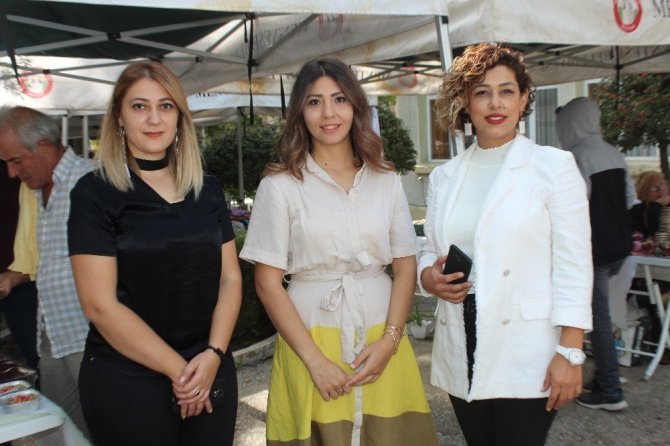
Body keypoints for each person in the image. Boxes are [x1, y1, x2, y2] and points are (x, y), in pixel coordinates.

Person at [240, 58, 437, 445]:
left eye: (339, 99)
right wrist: (315, 361)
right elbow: (267, 283)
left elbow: (405, 266)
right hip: (309, 338)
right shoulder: (279, 186)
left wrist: (390, 341)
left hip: (381, 332)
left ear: (355, 106)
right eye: (314, 102)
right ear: (300, 112)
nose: (328, 113)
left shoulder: (385, 179)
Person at [418, 43, 593, 445]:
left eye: (507, 91)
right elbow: (430, 247)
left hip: (527, 350)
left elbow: (574, 263)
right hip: (461, 342)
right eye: (482, 92)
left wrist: (570, 351)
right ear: (466, 102)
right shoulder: (445, 177)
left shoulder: (553, 167)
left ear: (524, 98)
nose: (495, 103)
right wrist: (429, 276)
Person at [68, 60, 241, 446]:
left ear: (180, 116)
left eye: (165, 106)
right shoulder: (94, 194)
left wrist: (214, 354)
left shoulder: (207, 189)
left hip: (209, 367)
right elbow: (100, 306)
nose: (154, 119)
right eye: (139, 106)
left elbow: (230, 278)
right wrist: (181, 372)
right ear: (118, 116)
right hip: (128, 380)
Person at [0, 106, 95, 436]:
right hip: (52, 331)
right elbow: (50, 261)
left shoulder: (91, 179)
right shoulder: (37, 190)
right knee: (58, 430)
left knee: (106, 427)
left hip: (90, 334)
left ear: (43, 145)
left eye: (16, 160)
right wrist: (14, 278)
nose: (11, 172)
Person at [556, 96, 632, 411]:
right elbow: (630, 200)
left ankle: (611, 389)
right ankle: (606, 376)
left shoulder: (576, 157)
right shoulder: (614, 153)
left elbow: (570, 208)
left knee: (597, 319)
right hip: (619, 248)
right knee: (604, 314)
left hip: (593, 252)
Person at [0, 163, 39, 371]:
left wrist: (16, 276)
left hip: (24, 277)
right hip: (16, 274)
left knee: (36, 354)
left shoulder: (16, 165)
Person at [629, 170, 670, 238]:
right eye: (653, 187)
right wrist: (655, 206)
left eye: (662, 185)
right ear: (642, 192)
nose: (660, 190)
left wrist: (655, 206)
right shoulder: (635, 211)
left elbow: (662, 237)